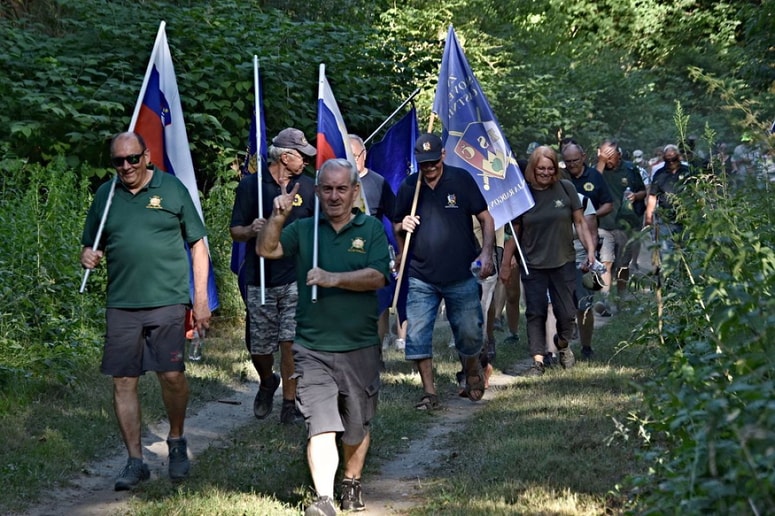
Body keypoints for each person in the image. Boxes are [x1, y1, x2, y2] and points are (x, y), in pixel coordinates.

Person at [257, 158, 390, 515]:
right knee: (320, 424)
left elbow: (378, 277)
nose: (334, 196)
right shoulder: (304, 230)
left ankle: (351, 481)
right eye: (327, 189)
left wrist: (333, 279)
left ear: (354, 191)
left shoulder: (371, 229)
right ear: (317, 192)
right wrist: (278, 216)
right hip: (311, 346)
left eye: (341, 189)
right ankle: (325, 499)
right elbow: (266, 250)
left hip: (359, 345)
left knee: (356, 426)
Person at [80, 132, 211, 490]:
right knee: (123, 381)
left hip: (168, 300)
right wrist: (88, 255)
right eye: (118, 161)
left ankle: (177, 439)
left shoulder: (172, 189)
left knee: (171, 376)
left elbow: (198, 243)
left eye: (132, 159)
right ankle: (135, 461)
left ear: (147, 156)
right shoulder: (106, 196)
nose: (126, 167)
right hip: (121, 303)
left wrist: (200, 299)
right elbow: (90, 246)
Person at [393, 133, 495, 410]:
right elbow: (395, 225)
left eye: (433, 162)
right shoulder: (410, 186)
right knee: (416, 334)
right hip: (420, 274)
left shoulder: (460, 179)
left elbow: (486, 217)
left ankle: (473, 369)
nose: (429, 168)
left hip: (460, 272)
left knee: (470, 333)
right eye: (423, 163)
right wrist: (405, 226)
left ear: (443, 156)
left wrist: (486, 252)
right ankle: (429, 392)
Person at [229, 128, 316, 424]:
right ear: (285, 156)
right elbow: (235, 231)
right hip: (260, 276)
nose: (306, 160)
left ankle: (289, 405)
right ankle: (268, 381)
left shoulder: (309, 186)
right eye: (302, 155)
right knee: (260, 347)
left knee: (289, 341)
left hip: (296, 275)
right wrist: (251, 229)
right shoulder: (251, 186)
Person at [500, 145, 596, 376]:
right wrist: (505, 262)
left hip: (563, 262)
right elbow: (514, 232)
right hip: (532, 263)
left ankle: (562, 343)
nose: (545, 173)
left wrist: (591, 250)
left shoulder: (566, 188)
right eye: (541, 168)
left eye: (550, 168)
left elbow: (580, 223)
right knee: (535, 312)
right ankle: (538, 361)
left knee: (567, 313)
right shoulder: (523, 195)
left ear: (556, 169)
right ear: (533, 168)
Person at [348, 134, 401, 352]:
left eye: (356, 155)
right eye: (348, 155)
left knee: (378, 304)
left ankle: (376, 353)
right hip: (345, 255)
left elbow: (396, 218)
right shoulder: (337, 183)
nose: (353, 160)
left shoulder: (378, 183)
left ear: (364, 155)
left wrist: (402, 251)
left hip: (373, 255)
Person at [595, 139, 647, 306]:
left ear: (619, 155)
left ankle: (621, 296)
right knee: (606, 262)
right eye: (604, 156)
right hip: (604, 224)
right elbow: (593, 185)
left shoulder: (631, 169)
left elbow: (643, 191)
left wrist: (635, 196)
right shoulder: (598, 170)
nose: (608, 160)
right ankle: (605, 299)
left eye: (610, 156)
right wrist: (601, 162)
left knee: (623, 265)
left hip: (626, 225)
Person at [645, 144, 692, 251]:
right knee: (667, 250)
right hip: (665, 218)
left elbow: (696, 192)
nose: (671, 162)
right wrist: (649, 217)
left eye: (674, 158)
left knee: (686, 248)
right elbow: (653, 196)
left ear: (679, 157)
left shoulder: (688, 171)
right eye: (668, 158)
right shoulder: (659, 174)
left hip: (686, 217)